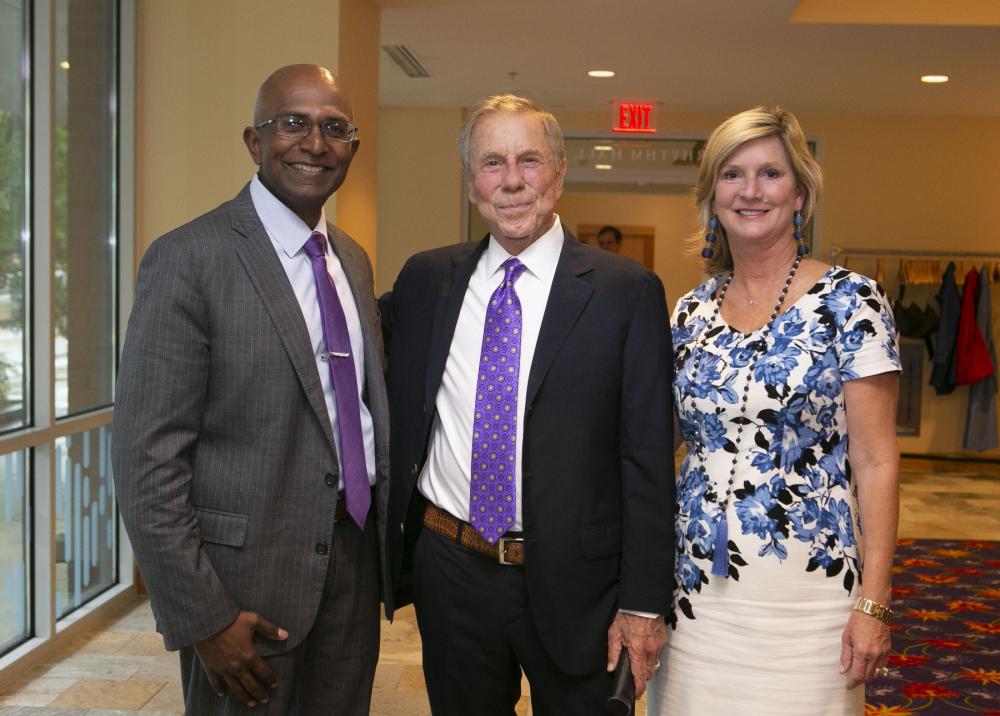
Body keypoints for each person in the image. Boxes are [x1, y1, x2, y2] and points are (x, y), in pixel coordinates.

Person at [380, 94, 675, 714]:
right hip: (453, 570)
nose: (512, 180)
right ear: (470, 184)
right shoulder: (425, 281)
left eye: (529, 160)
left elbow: (647, 458)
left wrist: (644, 603)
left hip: (581, 584)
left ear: (560, 173)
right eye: (492, 163)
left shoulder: (626, 294)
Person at [111, 64, 389, 715]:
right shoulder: (189, 258)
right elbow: (145, 456)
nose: (314, 143)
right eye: (292, 123)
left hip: (350, 571)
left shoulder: (351, 259)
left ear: (352, 146)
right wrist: (203, 616)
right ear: (254, 142)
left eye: (334, 128)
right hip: (242, 590)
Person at [646, 106, 900, 715]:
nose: (751, 191)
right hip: (694, 597)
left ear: (801, 195)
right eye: (732, 175)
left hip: (809, 601)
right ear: (712, 197)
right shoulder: (688, 313)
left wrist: (874, 602)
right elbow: (657, 450)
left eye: (770, 174)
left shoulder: (852, 301)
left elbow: (875, 460)